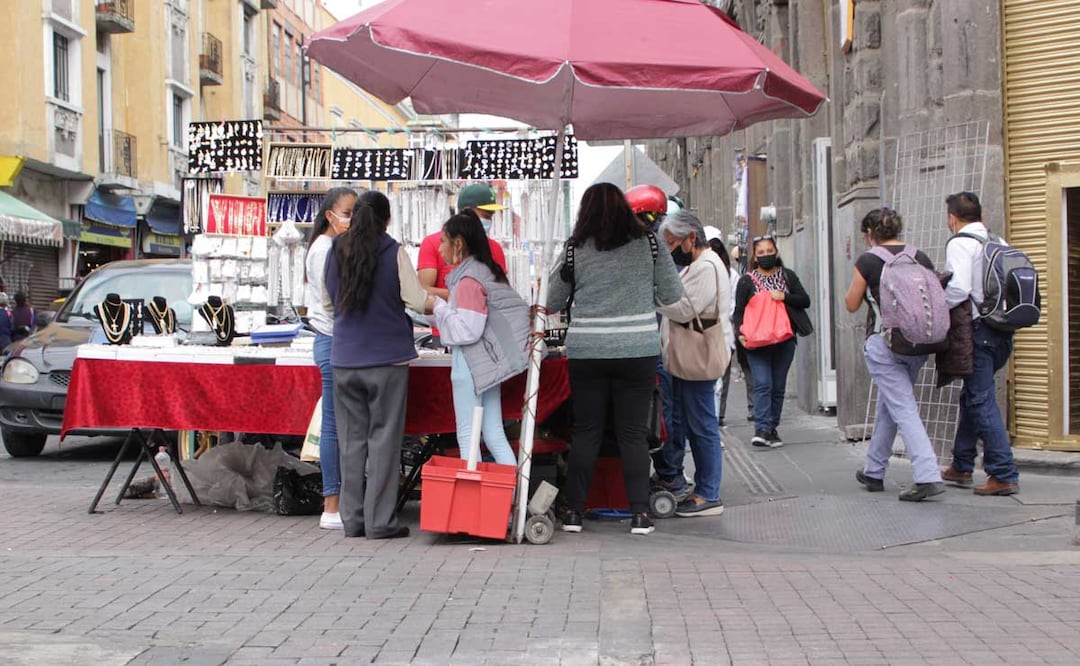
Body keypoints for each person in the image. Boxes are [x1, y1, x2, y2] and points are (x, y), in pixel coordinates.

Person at [547, 183, 683, 536]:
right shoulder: (650, 243)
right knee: (633, 434)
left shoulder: (574, 250)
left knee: (588, 432)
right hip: (637, 348)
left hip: (587, 351)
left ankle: (574, 512)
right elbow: (672, 293)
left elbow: (552, 300)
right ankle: (639, 514)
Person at [324, 190, 434, 539]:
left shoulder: (336, 249)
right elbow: (416, 300)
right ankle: (380, 522)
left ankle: (352, 519)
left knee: (351, 441)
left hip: (344, 358)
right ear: (387, 219)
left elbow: (327, 305)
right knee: (384, 440)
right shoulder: (392, 250)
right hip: (386, 359)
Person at [844, 209, 946, 501]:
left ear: (869, 234)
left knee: (902, 407)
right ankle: (874, 470)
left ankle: (927, 475)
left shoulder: (868, 260)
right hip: (918, 343)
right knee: (890, 405)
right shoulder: (920, 257)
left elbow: (851, 304)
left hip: (885, 344)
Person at [433, 210, 530, 467]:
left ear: (459, 243)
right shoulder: (486, 272)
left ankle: (474, 503)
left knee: (468, 435)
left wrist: (438, 307)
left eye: (443, 240)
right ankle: (511, 499)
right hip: (488, 365)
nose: (439, 247)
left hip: (470, 364)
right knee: (494, 433)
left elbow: (467, 331)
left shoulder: (468, 280)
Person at [940, 192, 1020, 495]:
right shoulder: (996, 241)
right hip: (1002, 331)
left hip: (979, 331)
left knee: (980, 399)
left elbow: (959, 288)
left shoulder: (961, 242)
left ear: (953, 218)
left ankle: (1003, 473)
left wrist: (938, 307)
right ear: (980, 215)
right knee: (973, 395)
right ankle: (961, 465)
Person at [653, 212, 730, 517]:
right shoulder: (700, 265)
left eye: (674, 241)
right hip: (688, 358)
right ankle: (703, 488)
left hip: (697, 357)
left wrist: (655, 299)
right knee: (693, 422)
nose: (671, 248)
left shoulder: (707, 265)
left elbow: (686, 309)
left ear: (690, 238)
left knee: (702, 424)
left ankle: (708, 492)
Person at [305, 187, 358, 530]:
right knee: (334, 425)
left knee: (337, 424)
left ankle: (337, 502)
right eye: (347, 212)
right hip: (333, 340)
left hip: (334, 339)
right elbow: (332, 302)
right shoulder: (325, 250)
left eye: (355, 212)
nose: (351, 219)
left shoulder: (329, 248)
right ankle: (332, 504)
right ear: (330, 215)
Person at [733, 236, 811, 448]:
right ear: (755, 257)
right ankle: (762, 428)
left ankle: (772, 428)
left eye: (770, 251)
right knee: (763, 384)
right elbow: (738, 312)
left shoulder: (788, 276)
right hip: (756, 342)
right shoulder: (746, 281)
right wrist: (739, 334)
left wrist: (784, 296)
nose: (766, 255)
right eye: (761, 252)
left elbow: (805, 300)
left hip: (784, 340)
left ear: (776, 253)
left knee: (777, 387)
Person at [417, 184, 508, 345]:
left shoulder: (495, 248)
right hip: (446, 333)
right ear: (467, 211)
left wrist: (457, 297)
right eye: (485, 215)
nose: (489, 220)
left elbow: (500, 294)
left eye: (491, 216)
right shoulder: (433, 243)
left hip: (487, 338)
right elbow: (423, 290)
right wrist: (458, 296)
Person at [704, 227, 740, 428]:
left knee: (721, 379)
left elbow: (732, 304)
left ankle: (718, 416)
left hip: (724, 332)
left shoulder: (731, 275)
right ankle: (710, 415)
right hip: (703, 334)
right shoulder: (698, 270)